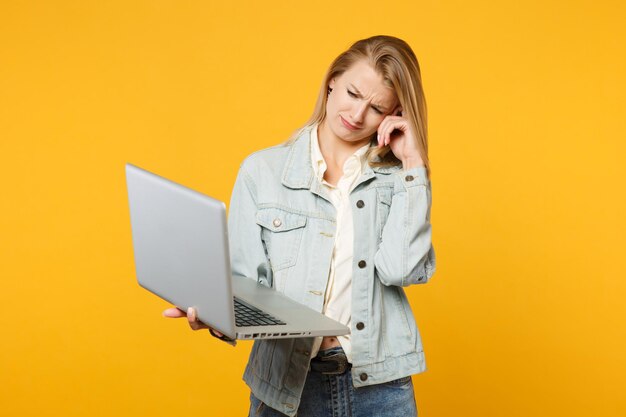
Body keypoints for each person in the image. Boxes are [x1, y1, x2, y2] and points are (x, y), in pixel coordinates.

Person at [163, 35, 436, 417]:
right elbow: (246, 283)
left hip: (380, 388)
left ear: (395, 115)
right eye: (353, 93)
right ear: (332, 81)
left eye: (375, 108)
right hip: (286, 386)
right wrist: (217, 315)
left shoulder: (398, 180)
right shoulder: (263, 171)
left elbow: (400, 269)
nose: (357, 115)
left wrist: (414, 167)